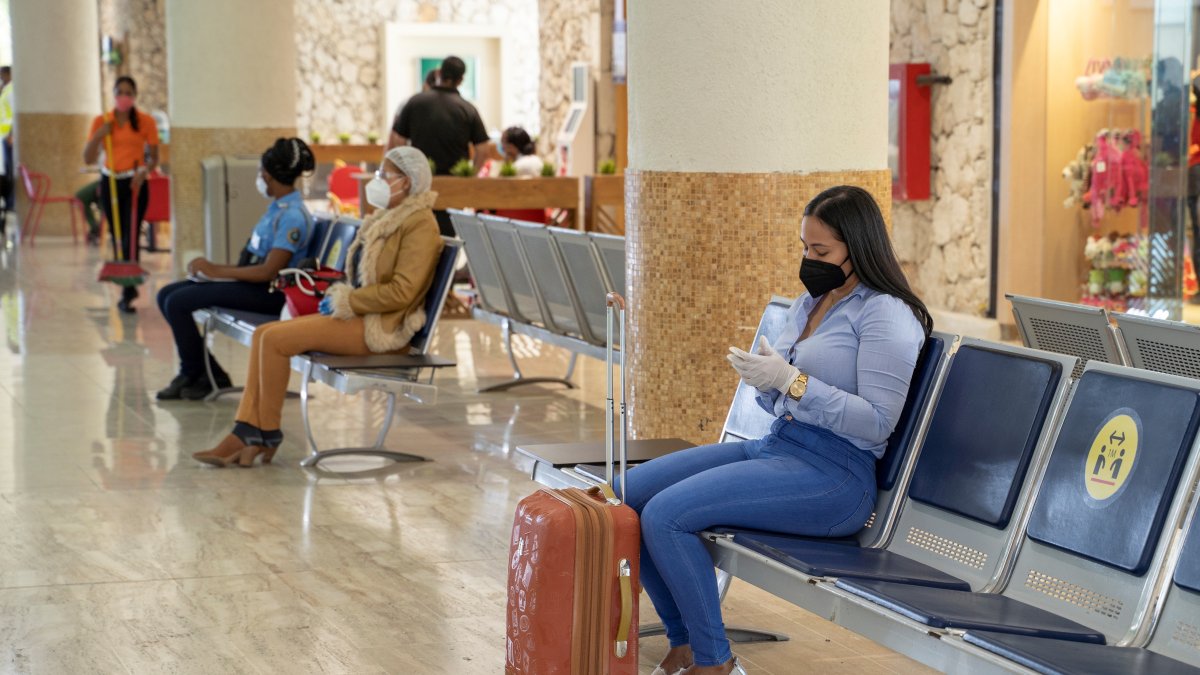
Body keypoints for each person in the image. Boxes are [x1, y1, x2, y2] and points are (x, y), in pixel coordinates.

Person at [620, 186, 931, 675]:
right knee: (626, 495)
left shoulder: (886, 313)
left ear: (859, 247)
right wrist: (766, 379)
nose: (810, 259)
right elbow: (782, 394)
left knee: (665, 515)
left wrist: (796, 382)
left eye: (821, 251)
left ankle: (712, 660)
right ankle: (683, 643)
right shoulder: (811, 303)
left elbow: (877, 421)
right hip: (780, 444)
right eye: (805, 248)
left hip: (836, 474)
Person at [191, 146, 443, 467]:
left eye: (384, 175)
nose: (377, 180)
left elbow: (403, 291)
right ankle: (249, 431)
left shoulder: (419, 224)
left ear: (405, 183)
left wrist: (348, 300)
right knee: (265, 334)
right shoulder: (390, 217)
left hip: (380, 327)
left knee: (275, 339)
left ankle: (262, 432)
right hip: (360, 315)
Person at [155, 138, 316, 401]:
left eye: (261, 172)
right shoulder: (277, 208)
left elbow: (268, 272)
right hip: (252, 285)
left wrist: (216, 271)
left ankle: (193, 372)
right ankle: (208, 373)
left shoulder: (293, 216)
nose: (260, 178)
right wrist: (214, 272)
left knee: (178, 302)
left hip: (271, 294)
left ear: (269, 175)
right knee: (166, 295)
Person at [82, 75, 159, 313]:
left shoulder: (145, 121)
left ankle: (128, 290)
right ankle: (126, 282)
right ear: (114, 95)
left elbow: (154, 157)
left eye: (128, 92)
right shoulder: (102, 121)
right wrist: (98, 136)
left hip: (135, 183)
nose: (123, 97)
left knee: (131, 235)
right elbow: (88, 158)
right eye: (120, 92)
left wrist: (144, 172)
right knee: (117, 233)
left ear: (134, 96)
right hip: (110, 181)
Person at [389, 56, 489, 236]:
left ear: (439, 73)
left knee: (418, 236)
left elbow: (398, 140)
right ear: (460, 80)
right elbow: (483, 148)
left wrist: (405, 170)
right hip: (453, 187)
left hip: (419, 184)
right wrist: (471, 175)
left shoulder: (415, 102)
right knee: (447, 239)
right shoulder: (467, 109)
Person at [0, 66, 13, 236]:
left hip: (8, 136)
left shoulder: (11, 90)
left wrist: (12, 134)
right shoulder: (6, 89)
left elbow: (13, 115)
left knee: (10, 173)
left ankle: (10, 202)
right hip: (4, 135)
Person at [76, 179, 103, 246]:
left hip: (84, 198)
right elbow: (100, 197)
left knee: (95, 219)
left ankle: (94, 232)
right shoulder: (102, 184)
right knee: (92, 219)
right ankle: (95, 232)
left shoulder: (100, 183)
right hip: (81, 199)